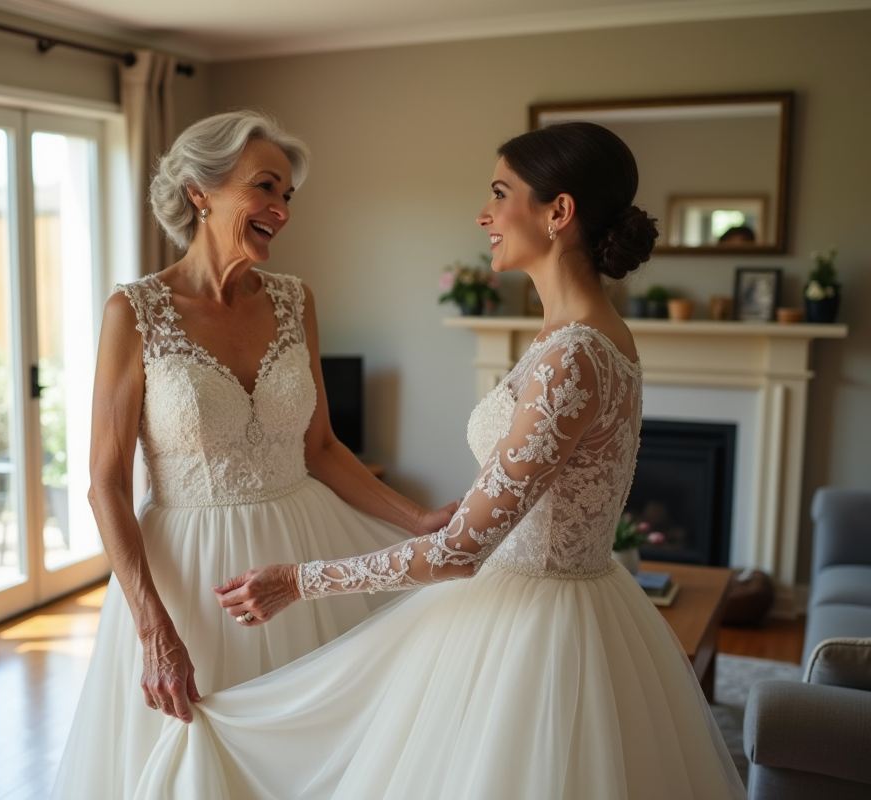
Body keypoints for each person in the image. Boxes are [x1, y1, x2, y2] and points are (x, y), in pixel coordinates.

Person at [129, 122, 747, 800]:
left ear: (558, 212)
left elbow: (460, 553)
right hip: (564, 600)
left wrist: (297, 581)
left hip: (537, 629)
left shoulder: (573, 354)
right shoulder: (591, 335)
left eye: (500, 193)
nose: (484, 214)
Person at [51, 110, 455, 799]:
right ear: (199, 192)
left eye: (288, 195)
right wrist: (153, 627)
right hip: (191, 575)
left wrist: (416, 521)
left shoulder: (296, 301)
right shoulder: (134, 313)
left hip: (301, 548)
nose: (282, 210)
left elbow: (320, 447)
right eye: (265, 187)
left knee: (319, 755)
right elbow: (104, 483)